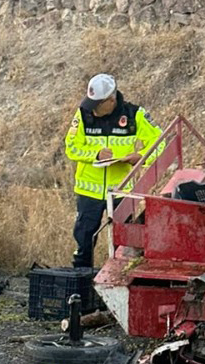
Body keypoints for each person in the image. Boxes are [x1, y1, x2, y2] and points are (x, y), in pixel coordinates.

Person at [64, 73, 162, 269]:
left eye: (97, 105)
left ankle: (117, 282)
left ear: (111, 100)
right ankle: (81, 285)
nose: (93, 110)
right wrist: (96, 154)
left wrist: (140, 157)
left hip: (121, 191)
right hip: (88, 192)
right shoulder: (83, 114)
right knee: (84, 242)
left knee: (123, 244)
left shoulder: (135, 115)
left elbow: (160, 143)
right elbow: (71, 147)